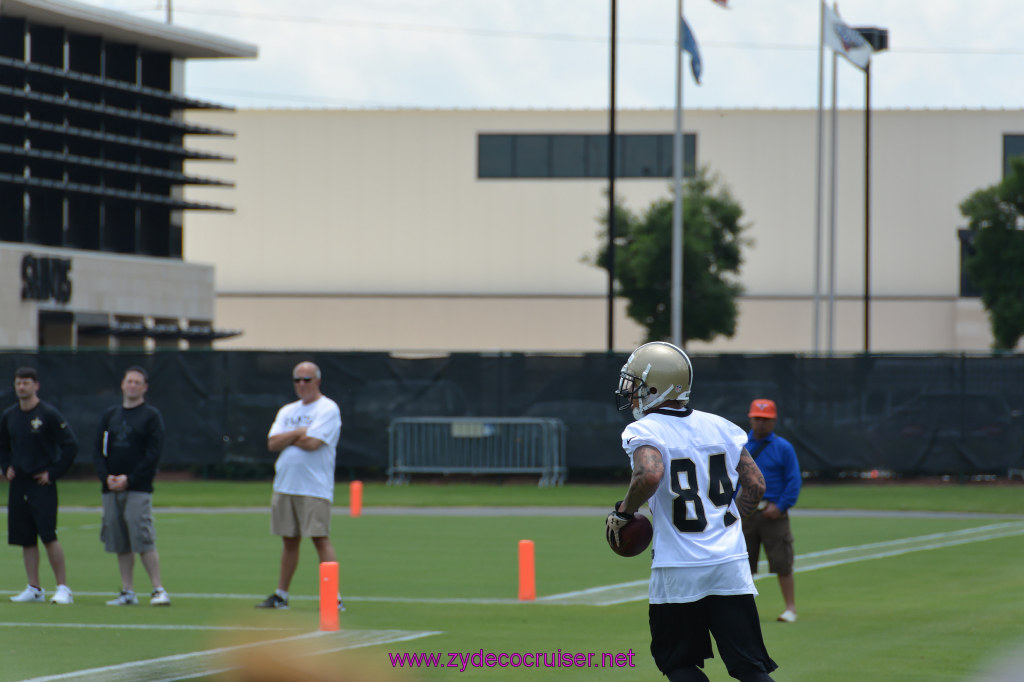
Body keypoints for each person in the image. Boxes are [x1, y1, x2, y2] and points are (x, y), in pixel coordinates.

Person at [607, 342, 778, 682]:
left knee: (679, 663)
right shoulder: (721, 426)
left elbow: (649, 473)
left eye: (638, 387)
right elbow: (756, 485)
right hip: (729, 562)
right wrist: (726, 525)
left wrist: (625, 513)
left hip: (679, 566)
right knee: (749, 667)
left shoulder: (646, 430)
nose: (632, 396)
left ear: (658, 387)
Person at [257, 361, 344, 610]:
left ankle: (333, 597)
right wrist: (298, 432)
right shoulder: (287, 411)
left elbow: (313, 443)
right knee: (289, 541)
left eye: (307, 379)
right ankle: (281, 595)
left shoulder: (328, 408)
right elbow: (273, 443)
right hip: (285, 485)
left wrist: (291, 437)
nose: (302, 384)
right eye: (297, 380)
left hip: (314, 487)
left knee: (320, 538)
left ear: (318, 381)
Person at [0, 367, 78, 605]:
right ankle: (34, 587)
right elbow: (2, 446)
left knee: (47, 535)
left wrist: (53, 473)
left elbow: (70, 445)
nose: (21, 387)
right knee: (25, 538)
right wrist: (6, 467)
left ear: (36, 385)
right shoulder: (9, 415)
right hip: (19, 485)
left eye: (26, 383)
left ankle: (63, 587)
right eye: (18, 383)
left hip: (41, 484)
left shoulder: (48, 414)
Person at [93, 366, 170, 606]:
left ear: (145, 387)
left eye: (138, 382)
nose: (133, 386)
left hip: (138, 488)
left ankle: (158, 589)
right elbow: (98, 450)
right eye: (129, 381)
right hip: (111, 489)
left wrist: (130, 478)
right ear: (122, 385)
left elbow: (153, 454)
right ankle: (128, 591)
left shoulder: (151, 416)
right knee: (120, 540)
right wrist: (107, 477)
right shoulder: (110, 416)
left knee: (142, 537)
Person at [742, 398, 802, 624]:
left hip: (773, 511)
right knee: (742, 564)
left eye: (766, 419)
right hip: (745, 512)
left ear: (774, 420)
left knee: (782, 561)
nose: (761, 423)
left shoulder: (783, 448)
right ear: (750, 418)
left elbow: (793, 481)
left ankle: (790, 608)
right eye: (757, 418)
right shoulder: (740, 444)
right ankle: (744, 611)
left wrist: (781, 505)